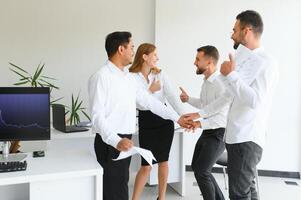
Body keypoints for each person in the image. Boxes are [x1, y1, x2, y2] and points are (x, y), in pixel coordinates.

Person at [185, 10, 279, 200]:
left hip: (247, 138)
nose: (232, 34)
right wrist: (199, 114)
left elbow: (255, 101)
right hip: (235, 138)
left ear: (247, 31)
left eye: (234, 30)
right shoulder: (243, 59)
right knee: (247, 192)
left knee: (239, 195)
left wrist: (231, 76)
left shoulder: (266, 62)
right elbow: (228, 97)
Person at [88, 31, 191, 200]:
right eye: (131, 47)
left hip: (125, 140)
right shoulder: (101, 77)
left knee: (121, 187)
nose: (133, 52)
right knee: (111, 191)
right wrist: (116, 141)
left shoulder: (128, 78)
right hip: (110, 141)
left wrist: (177, 118)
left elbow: (148, 102)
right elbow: (97, 116)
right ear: (121, 49)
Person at [129, 43, 186, 200]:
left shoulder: (160, 75)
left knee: (163, 161)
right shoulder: (131, 77)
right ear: (144, 56)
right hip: (147, 122)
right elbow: (137, 102)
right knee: (146, 165)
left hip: (164, 122)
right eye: (154, 55)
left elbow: (173, 97)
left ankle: (161, 198)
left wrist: (184, 117)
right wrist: (150, 91)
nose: (158, 58)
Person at [179, 45, 229, 200]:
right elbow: (205, 105)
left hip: (219, 133)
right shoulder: (207, 81)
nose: (195, 62)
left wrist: (199, 123)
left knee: (202, 170)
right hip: (208, 131)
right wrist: (188, 100)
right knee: (198, 167)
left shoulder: (220, 84)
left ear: (209, 63)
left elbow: (221, 116)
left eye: (197, 59)